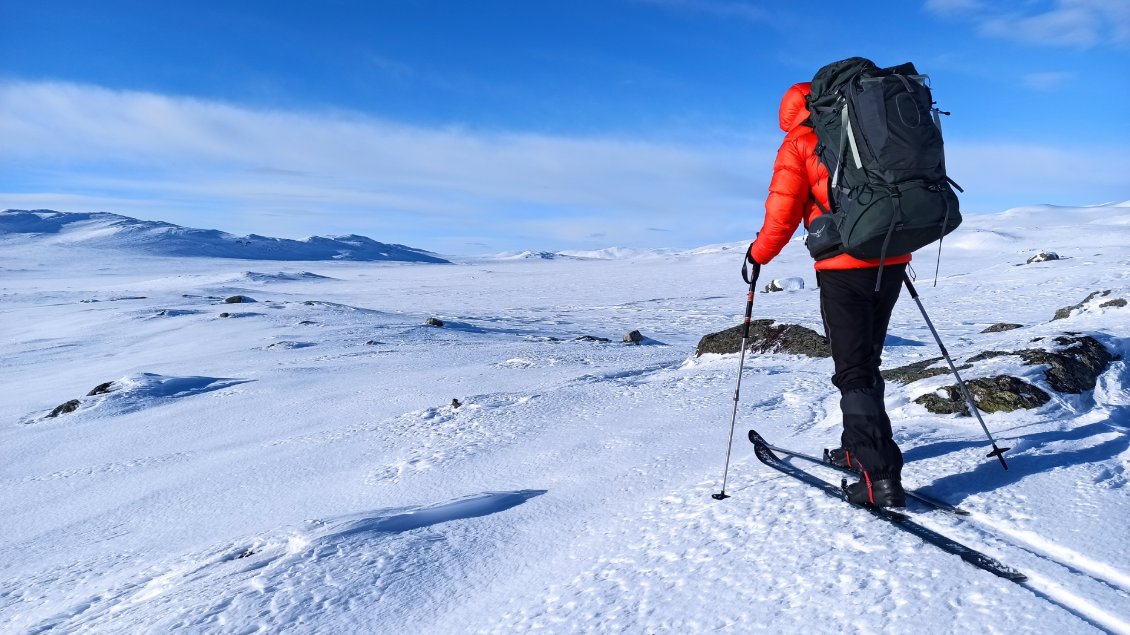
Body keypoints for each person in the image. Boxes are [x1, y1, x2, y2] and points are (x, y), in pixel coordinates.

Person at [745, 81, 912, 508]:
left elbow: (781, 214)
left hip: (843, 267)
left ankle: (878, 478)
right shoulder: (867, 131)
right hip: (891, 257)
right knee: (866, 360)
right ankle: (856, 448)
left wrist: (757, 254)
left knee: (853, 369)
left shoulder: (799, 142)